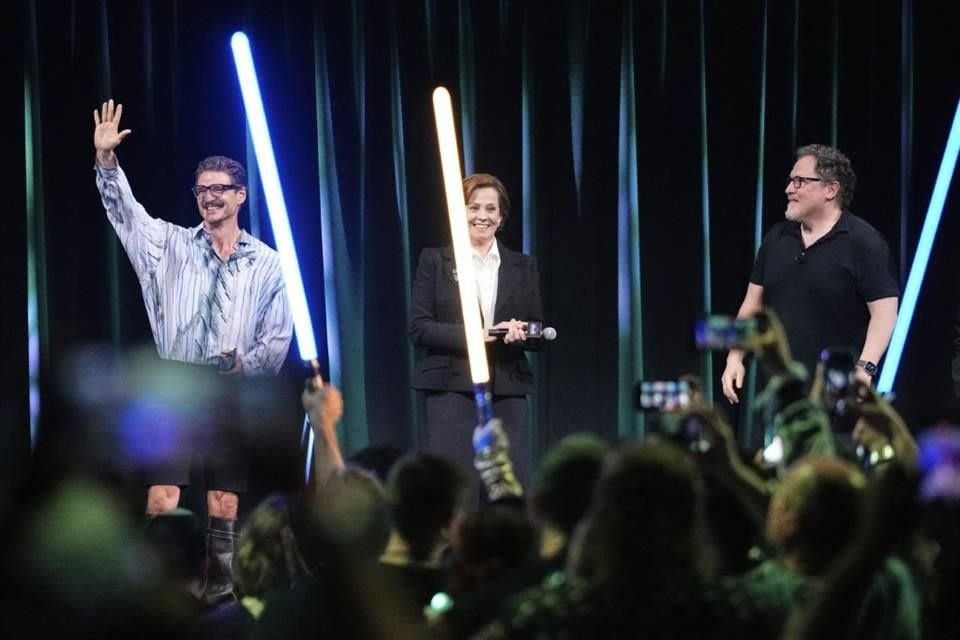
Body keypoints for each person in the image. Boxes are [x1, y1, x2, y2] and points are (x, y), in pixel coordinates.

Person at [92, 99, 293, 605]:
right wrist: (107, 163)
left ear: (240, 195)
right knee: (162, 496)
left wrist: (248, 365)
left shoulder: (267, 265)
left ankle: (221, 594)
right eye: (202, 191)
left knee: (224, 499)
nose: (209, 198)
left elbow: (276, 337)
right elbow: (126, 215)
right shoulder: (168, 246)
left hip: (232, 388)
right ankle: (161, 590)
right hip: (176, 386)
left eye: (219, 190)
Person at [721, 144, 899, 404]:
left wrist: (864, 369)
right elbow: (752, 304)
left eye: (800, 181)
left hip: (835, 395)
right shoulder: (777, 238)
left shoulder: (864, 243)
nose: (789, 189)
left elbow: (884, 313)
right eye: (791, 180)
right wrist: (734, 356)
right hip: (779, 392)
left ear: (831, 189)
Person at [409, 173, 543, 492]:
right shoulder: (435, 260)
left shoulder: (522, 266)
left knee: (507, 486)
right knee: (455, 487)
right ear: (460, 213)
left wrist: (521, 333)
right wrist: (477, 334)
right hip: (450, 387)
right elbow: (419, 327)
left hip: (507, 385)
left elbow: (537, 329)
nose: (482, 216)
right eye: (473, 207)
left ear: (501, 216)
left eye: (490, 209)